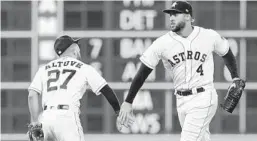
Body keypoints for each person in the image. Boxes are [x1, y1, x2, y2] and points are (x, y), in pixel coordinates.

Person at [118, 1, 245, 141]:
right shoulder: (163, 43)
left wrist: (235, 77)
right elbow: (143, 72)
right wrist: (128, 101)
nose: (171, 18)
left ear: (187, 16)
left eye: (176, 14)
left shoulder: (208, 36)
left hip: (204, 97)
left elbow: (226, 52)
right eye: (170, 14)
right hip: (181, 101)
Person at [28, 35, 120, 141]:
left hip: (46, 118)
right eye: (77, 45)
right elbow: (106, 90)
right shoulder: (83, 67)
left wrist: (35, 122)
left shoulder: (44, 69)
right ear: (74, 50)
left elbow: (32, 95)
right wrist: (118, 111)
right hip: (67, 119)